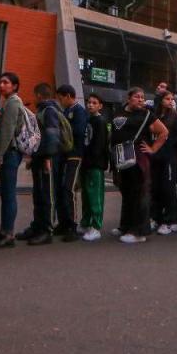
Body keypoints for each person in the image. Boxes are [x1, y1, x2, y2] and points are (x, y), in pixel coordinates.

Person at [110, 87, 168, 243]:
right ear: (129, 98)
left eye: (142, 97)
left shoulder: (147, 115)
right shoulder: (119, 111)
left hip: (138, 158)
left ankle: (138, 231)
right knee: (127, 193)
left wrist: (153, 148)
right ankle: (125, 226)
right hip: (121, 157)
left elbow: (164, 132)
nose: (140, 99)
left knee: (139, 194)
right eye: (137, 96)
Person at [18, 82, 64, 246]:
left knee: (47, 194)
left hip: (47, 159)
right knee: (39, 193)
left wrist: (47, 157)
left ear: (38, 95)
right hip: (40, 157)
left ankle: (47, 230)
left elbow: (52, 135)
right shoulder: (43, 110)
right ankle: (37, 226)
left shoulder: (49, 110)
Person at [0, 72, 25, 249]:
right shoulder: (8, 102)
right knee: (5, 193)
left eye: (6, 83)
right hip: (7, 152)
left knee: (8, 194)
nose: (2, 85)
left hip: (10, 153)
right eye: (0, 82)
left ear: (15, 86)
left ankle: (8, 234)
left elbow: (7, 131)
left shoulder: (13, 102)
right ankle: (3, 231)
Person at [57, 84, 87, 242]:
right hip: (65, 155)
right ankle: (64, 222)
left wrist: (63, 130)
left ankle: (73, 225)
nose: (60, 101)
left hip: (75, 155)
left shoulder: (78, 111)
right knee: (62, 188)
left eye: (61, 98)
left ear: (69, 96)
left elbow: (79, 131)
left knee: (69, 188)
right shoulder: (66, 111)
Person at [151, 91, 177, 235]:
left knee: (168, 189)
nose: (170, 101)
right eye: (167, 98)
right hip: (155, 157)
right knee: (155, 188)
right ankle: (156, 217)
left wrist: (172, 142)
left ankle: (169, 220)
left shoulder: (175, 117)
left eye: (171, 99)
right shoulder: (154, 115)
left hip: (169, 158)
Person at [80, 93, 109, 242]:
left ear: (100, 106)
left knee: (95, 196)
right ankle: (85, 222)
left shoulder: (100, 122)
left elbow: (99, 144)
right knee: (86, 195)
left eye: (94, 102)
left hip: (95, 164)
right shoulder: (88, 119)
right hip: (86, 164)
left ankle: (96, 227)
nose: (90, 104)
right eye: (89, 102)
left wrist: (94, 160)